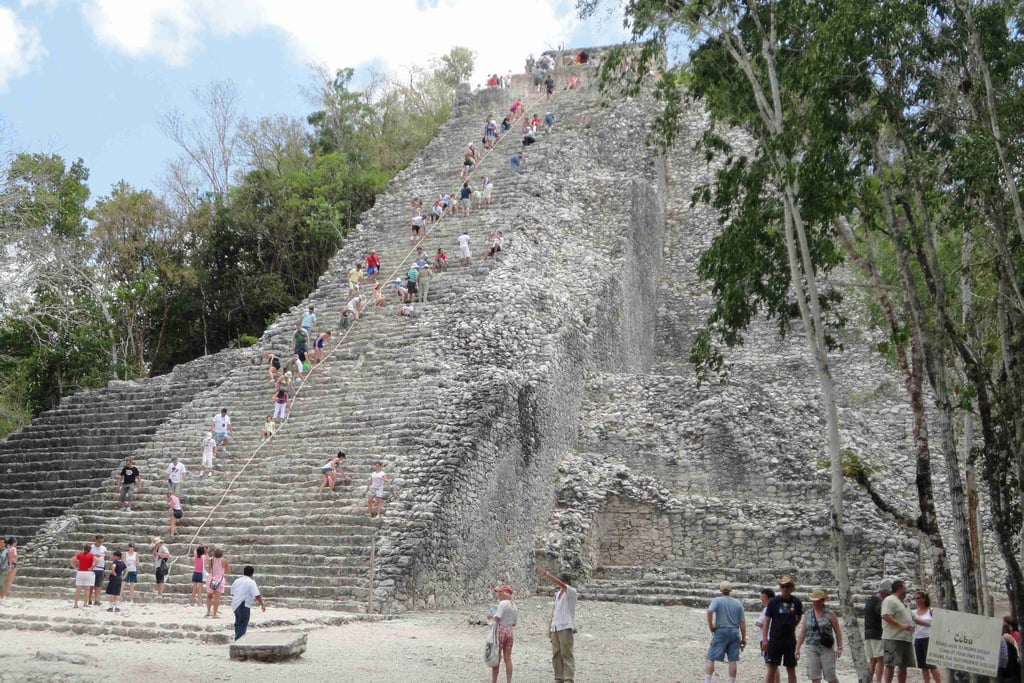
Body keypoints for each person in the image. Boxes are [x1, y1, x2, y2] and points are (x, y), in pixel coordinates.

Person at [536, 562, 578, 683]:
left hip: (565, 627)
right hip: (556, 627)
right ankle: (559, 677)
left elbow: (560, 584)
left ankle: (569, 679)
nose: (558, 583)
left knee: (566, 654)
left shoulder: (571, 592)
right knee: (556, 653)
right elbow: (554, 612)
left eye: (561, 581)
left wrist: (547, 574)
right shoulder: (557, 594)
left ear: (566, 581)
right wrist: (549, 629)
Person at [796, 588, 843, 683]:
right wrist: (797, 648)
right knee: (815, 676)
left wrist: (840, 647)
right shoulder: (808, 614)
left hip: (826, 647)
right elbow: (803, 632)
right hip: (811, 647)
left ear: (822, 601)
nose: (815, 603)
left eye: (817, 601)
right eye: (813, 601)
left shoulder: (830, 614)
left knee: (830, 676)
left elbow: (838, 631)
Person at [705, 580, 747, 683]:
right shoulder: (738, 603)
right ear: (730, 590)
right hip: (734, 631)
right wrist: (744, 637)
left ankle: (707, 681)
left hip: (721, 630)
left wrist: (711, 626)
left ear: (720, 590)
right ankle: (731, 681)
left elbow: (709, 611)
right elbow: (742, 622)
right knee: (733, 660)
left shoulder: (717, 600)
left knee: (711, 657)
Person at [763, 575, 803, 683]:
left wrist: (793, 625)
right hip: (775, 639)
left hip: (790, 639)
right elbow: (766, 621)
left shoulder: (797, 602)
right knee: (772, 668)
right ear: (780, 587)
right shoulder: (773, 602)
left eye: (787, 586)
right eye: (783, 586)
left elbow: (799, 616)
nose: (785, 589)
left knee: (791, 669)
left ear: (791, 588)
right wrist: (765, 639)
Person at [881, 579, 916, 683]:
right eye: (905, 588)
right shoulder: (890, 600)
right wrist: (901, 625)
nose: (906, 590)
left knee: (904, 665)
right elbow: (885, 615)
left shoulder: (904, 603)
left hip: (906, 638)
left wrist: (930, 623)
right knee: (890, 664)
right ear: (899, 588)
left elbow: (914, 617)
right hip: (893, 637)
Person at [489, 585, 518, 683]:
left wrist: (491, 616)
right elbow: (514, 623)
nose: (499, 595)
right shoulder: (514, 605)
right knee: (508, 658)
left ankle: (494, 681)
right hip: (509, 632)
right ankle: (508, 681)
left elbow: (497, 618)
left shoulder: (503, 604)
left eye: (500, 593)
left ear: (504, 594)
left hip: (501, 630)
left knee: (497, 657)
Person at [865, 580, 892, 683]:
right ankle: (878, 681)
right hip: (877, 634)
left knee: (873, 659)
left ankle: (869, 680)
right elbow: (883, 615)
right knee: (880, 660)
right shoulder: (879, 602)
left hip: (868, 633)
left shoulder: (869, 599)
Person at [230, 565, 266, 641]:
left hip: (235, 604)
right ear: (252, 573)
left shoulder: (237, 581)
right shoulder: (251, 582)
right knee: (242, 623)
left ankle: (237, 638)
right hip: (244, 605)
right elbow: (257, 595)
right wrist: (262, 604)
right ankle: (239, 641)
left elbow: (232, 593)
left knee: (238, 623)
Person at [912, 591, 939, 683]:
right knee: (923, 666)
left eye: (918, 598)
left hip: (928, 638)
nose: (916, 600)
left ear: (924, 599)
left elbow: (937, 624)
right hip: (917, 639)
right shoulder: (913, 612)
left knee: (932, 665)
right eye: (915, 598)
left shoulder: (931, 611)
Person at [757, 588, 781, 683]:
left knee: (770, 665)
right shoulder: (776, 608)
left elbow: (759, 623)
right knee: (773, 665)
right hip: (774, 638)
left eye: (763, 597)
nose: (761, 599)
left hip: (767, 639)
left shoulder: (767, 609)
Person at [206, 547, 230, 618]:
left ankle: (208, 611)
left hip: (211, 579)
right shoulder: (224, 561)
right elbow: (228, 571)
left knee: (209, 596)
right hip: (219, 580)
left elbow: (209, 571)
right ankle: (214, 614)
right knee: (217, 598)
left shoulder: (211, 560)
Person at [70, 543, 94, 608]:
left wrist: (75, 567)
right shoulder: (91, 555)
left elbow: (71, 560)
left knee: (78, 589)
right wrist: (92, 567)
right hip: (88, 572)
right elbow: (97, 560)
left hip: (80, 572)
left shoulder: (80, 554)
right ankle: (85, 603)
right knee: (87, 589)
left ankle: (75, 604)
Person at [89, 535, 107, 606]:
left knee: (98, 585)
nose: (100, 543)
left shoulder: (104, 548)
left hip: (101, 568)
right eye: (99, 541)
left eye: (102, 541)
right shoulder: (91, 547)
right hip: (92, 568)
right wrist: (95, 556)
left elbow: (105, 558)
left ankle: (96, 600)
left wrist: (106, 555)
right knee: (90, 585)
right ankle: (89, 599)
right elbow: (88, 556)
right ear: (96, 540)